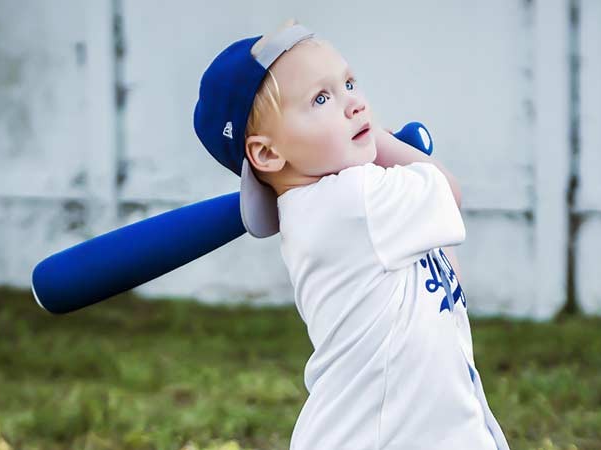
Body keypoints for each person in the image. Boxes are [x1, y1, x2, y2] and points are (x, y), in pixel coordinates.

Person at [193, 18, 509, 450]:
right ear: (267, 153)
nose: (354, 104)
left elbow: (445, 268)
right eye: (321, 98)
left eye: (349, 83)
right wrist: (382, 142)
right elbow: (448, 191)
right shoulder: (353, 201)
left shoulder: (330, 207)